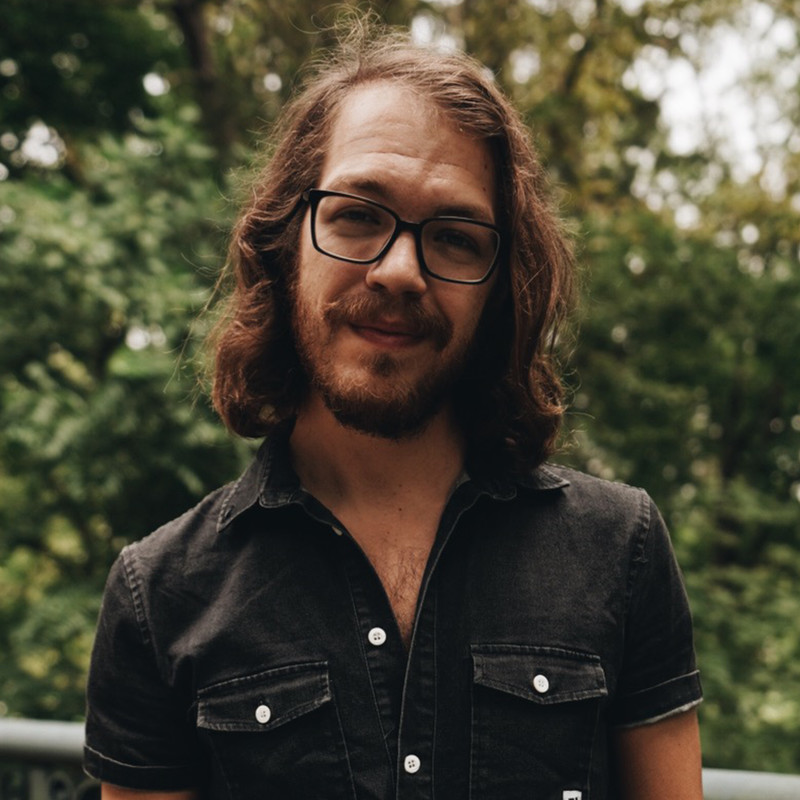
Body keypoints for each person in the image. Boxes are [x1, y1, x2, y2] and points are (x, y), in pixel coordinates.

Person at [84, 19, 703, 800]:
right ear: (286, 241)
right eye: (357, 214)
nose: (401, 270)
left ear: (499, 288)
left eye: (455, 237)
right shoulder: (160, 596)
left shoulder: (622, 550)